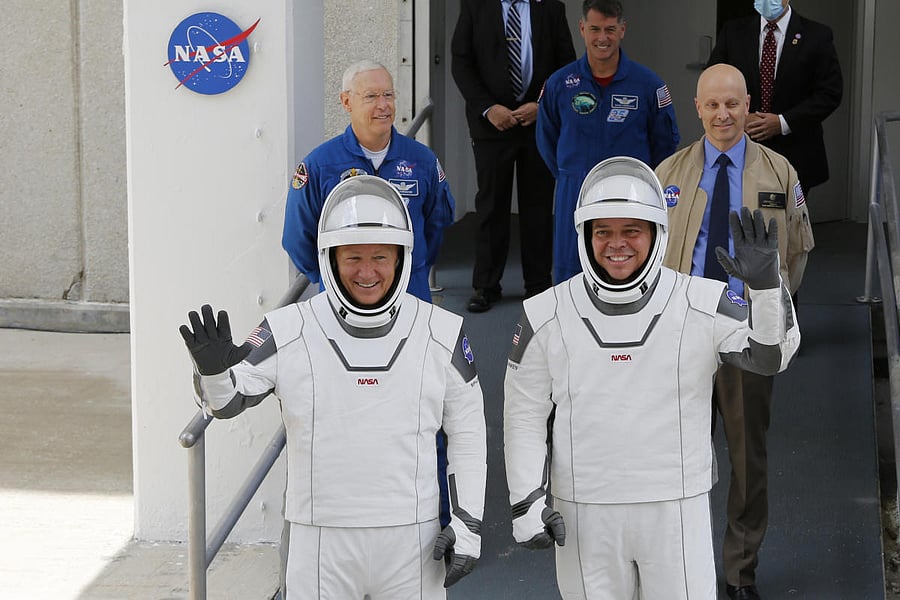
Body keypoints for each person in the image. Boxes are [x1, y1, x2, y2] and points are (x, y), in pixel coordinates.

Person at [503, 156, 800, 599]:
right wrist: (527, 500)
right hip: (584, 511)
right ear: (584, 235)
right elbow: (523, 416)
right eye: (603, 231)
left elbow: (771, 356)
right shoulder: (544, 314)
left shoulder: (701, 301)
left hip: (675, 507)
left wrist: (766, 290)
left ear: (657, 234)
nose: (617, 244)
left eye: (631, 231)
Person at [180, 176, 487, 599]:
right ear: (329, 258)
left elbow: (469, 435)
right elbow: (228, 401)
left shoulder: (442, 332)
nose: (367, 272)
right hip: (318, 538)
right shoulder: (287, 328)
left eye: (380, 256)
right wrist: (213, 374)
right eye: (353, 257)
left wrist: (467, 524)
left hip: (412, 539)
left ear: (401, 257)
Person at [655, 64, 814, 600]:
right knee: (680, 461)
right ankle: (684, 568)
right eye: (712, 106)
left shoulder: (779, 172)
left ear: (749, 105)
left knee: (747, 462)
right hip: (684, 338)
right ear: (696, 108)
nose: (723, 115)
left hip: (746, 339)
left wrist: (768, 315)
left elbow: (796, 252)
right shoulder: (668, 175)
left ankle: (738, 574)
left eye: (733, 104)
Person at [282, 60, 455, 303]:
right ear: (346, 102)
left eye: (388, 95)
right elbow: (297, 236)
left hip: (409, 291)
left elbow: (436, 226)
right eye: (371, 96)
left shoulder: (422, 160)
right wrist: (330, 275)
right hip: (343, 295)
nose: (383, 105)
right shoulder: (319, 165)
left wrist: (414, 267)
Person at [536, 0, 680, 283]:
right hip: (574, 193)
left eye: (610, 29)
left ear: (622, 30)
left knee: (629, 269)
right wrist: (573, 175)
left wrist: (639, 180)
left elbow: (665, 144)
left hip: (632, 197)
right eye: (595, 29)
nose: (603, 38)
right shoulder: (559, 84)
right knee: (571, 275)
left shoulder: (648, 84)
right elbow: (546, 141)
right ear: (582, 29)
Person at [450, 0, 576, 312]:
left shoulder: (551, 9)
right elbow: (461, 62)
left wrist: (541, 104)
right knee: (491, 205)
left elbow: (565, 64)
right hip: (491, 124)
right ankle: (486, 286)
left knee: (538, 205)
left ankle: (537, 285)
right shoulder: (474, 7)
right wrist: (488, 108)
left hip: (539, 124)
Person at [707, 0, 842, 202]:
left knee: (786, 227)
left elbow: (829, 93)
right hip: (741, 148)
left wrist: (782, 122)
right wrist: (740, 116)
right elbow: (713, 80)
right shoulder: (734, 32)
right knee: (739, 221)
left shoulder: (817, 36)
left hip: (795, 152)